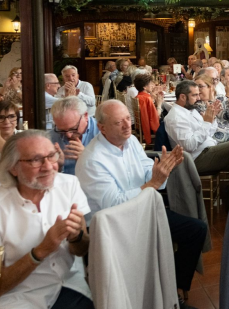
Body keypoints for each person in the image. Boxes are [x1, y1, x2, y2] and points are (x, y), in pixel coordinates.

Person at [75, 101, 206, 306]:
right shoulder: (92, 159)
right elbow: (114, 204)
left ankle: (172, 291)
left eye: (128, 118)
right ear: (102, 127)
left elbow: (147, 170)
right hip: (111, 226)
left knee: (196, 230)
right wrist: (153, 183)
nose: (127, 125)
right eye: (118, 122)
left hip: (141, 211)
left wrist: (161, 172)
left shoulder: (132, 141)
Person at [0, 131, 92, 309]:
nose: (48, 167)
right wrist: (40, 251)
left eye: (51, 156)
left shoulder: (69, 185)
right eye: (35, 160)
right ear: (13, 168)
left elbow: (81, 249)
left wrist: (77, 237)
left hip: (69, 285)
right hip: (18, 297)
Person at [165, 80, 229, 177]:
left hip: (208, 150)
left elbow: (209, 133)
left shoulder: (191, 109)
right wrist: (206, 122)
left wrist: (212, 117)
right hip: (196, 159)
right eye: (195, 95)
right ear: (182, 97)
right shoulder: (175, 117)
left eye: (198, 94)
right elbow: (189, 146)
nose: (199, 98)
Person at [49, 97, 100, 176]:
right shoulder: (51, 138)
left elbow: (115, 170)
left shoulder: (103, 132)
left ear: (85, 116)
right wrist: (58, 167)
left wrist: (88, 158)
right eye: (62, 130)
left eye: (73, 129)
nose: (68, 135)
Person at [193, 73, 229, 143]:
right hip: (213, 143)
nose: (196, 90)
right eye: (195, 87)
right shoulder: (196, 105)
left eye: (200, 86)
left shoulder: (221, 98)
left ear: (210, 87)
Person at [134, 73, 163, 146]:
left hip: (139, 127)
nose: (153, 85)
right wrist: (159, 104)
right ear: (144, 87)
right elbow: (155, 117)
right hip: (148, 128)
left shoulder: (139, 96)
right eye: (150, 84)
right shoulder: (147, 98)